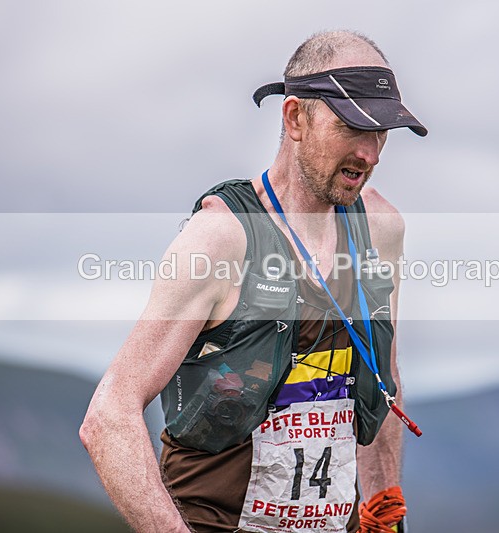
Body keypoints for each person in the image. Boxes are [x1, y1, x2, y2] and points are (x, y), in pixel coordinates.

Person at [80, 29, 427, 533]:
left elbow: (381, 384)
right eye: (354, 128)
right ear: (295, 118)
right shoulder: (222, 238)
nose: (371, 154)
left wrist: (384, 511)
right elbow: (109, 416)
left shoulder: (381, 229)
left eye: (381, 134)